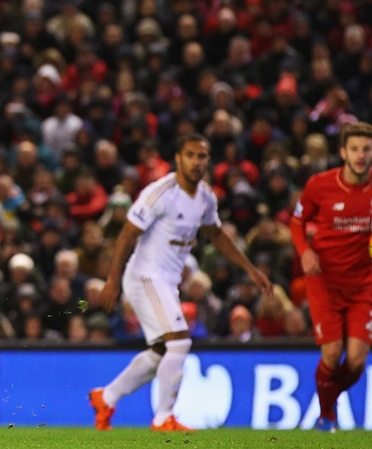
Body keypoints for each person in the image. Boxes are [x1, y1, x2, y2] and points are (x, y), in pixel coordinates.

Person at [90, 133, 273, 431]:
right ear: (178, 158)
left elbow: (216, 234)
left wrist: (250, 269)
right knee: (180, 341)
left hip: (166, 281)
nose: (196, 162)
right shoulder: (159, 193)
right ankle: (163, 419)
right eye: (190, 155)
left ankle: (106, 397)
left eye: (202, 156)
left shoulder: (205, 198)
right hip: (145, 276)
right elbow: (126, 234)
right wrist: (111, 280)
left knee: (162, 351)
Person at [289, 122, 372, 432]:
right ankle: (327, 417)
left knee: (355, 360)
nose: (361, 155)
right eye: (354, 149)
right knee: (333, 352)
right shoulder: (319, 185)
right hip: (324, 280)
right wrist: (305, 252)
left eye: (366, 149)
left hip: (362, 281)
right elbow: (297, 222)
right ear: (343, 152)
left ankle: (328, 396)